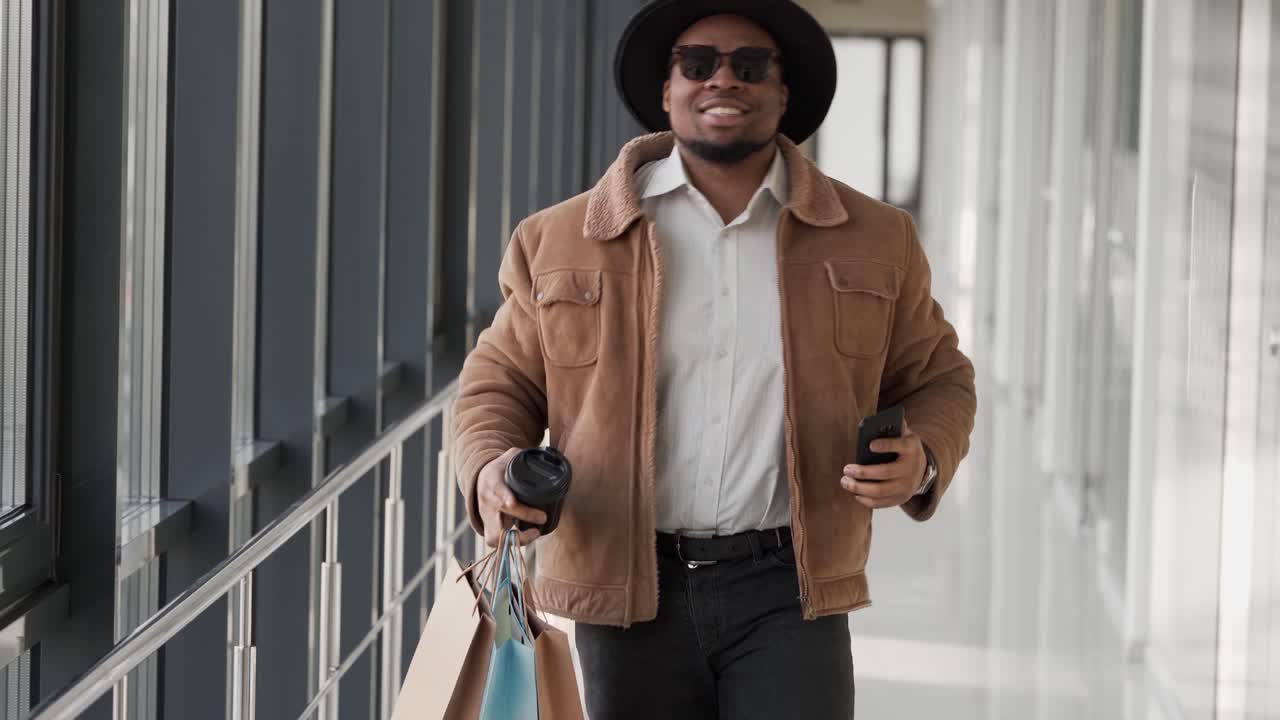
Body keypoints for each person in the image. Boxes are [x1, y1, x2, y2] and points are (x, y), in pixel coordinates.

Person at [451, 0, 977, 717]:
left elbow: (940, 377)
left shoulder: (875, 238)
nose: (722, 81)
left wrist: (925, 457)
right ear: (666, 90)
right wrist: (488, 467)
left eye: (750, 66)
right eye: (697, 64)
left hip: (792, 587)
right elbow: (498, 382)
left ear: (783, 92)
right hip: (627, 587)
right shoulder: (560, 239)